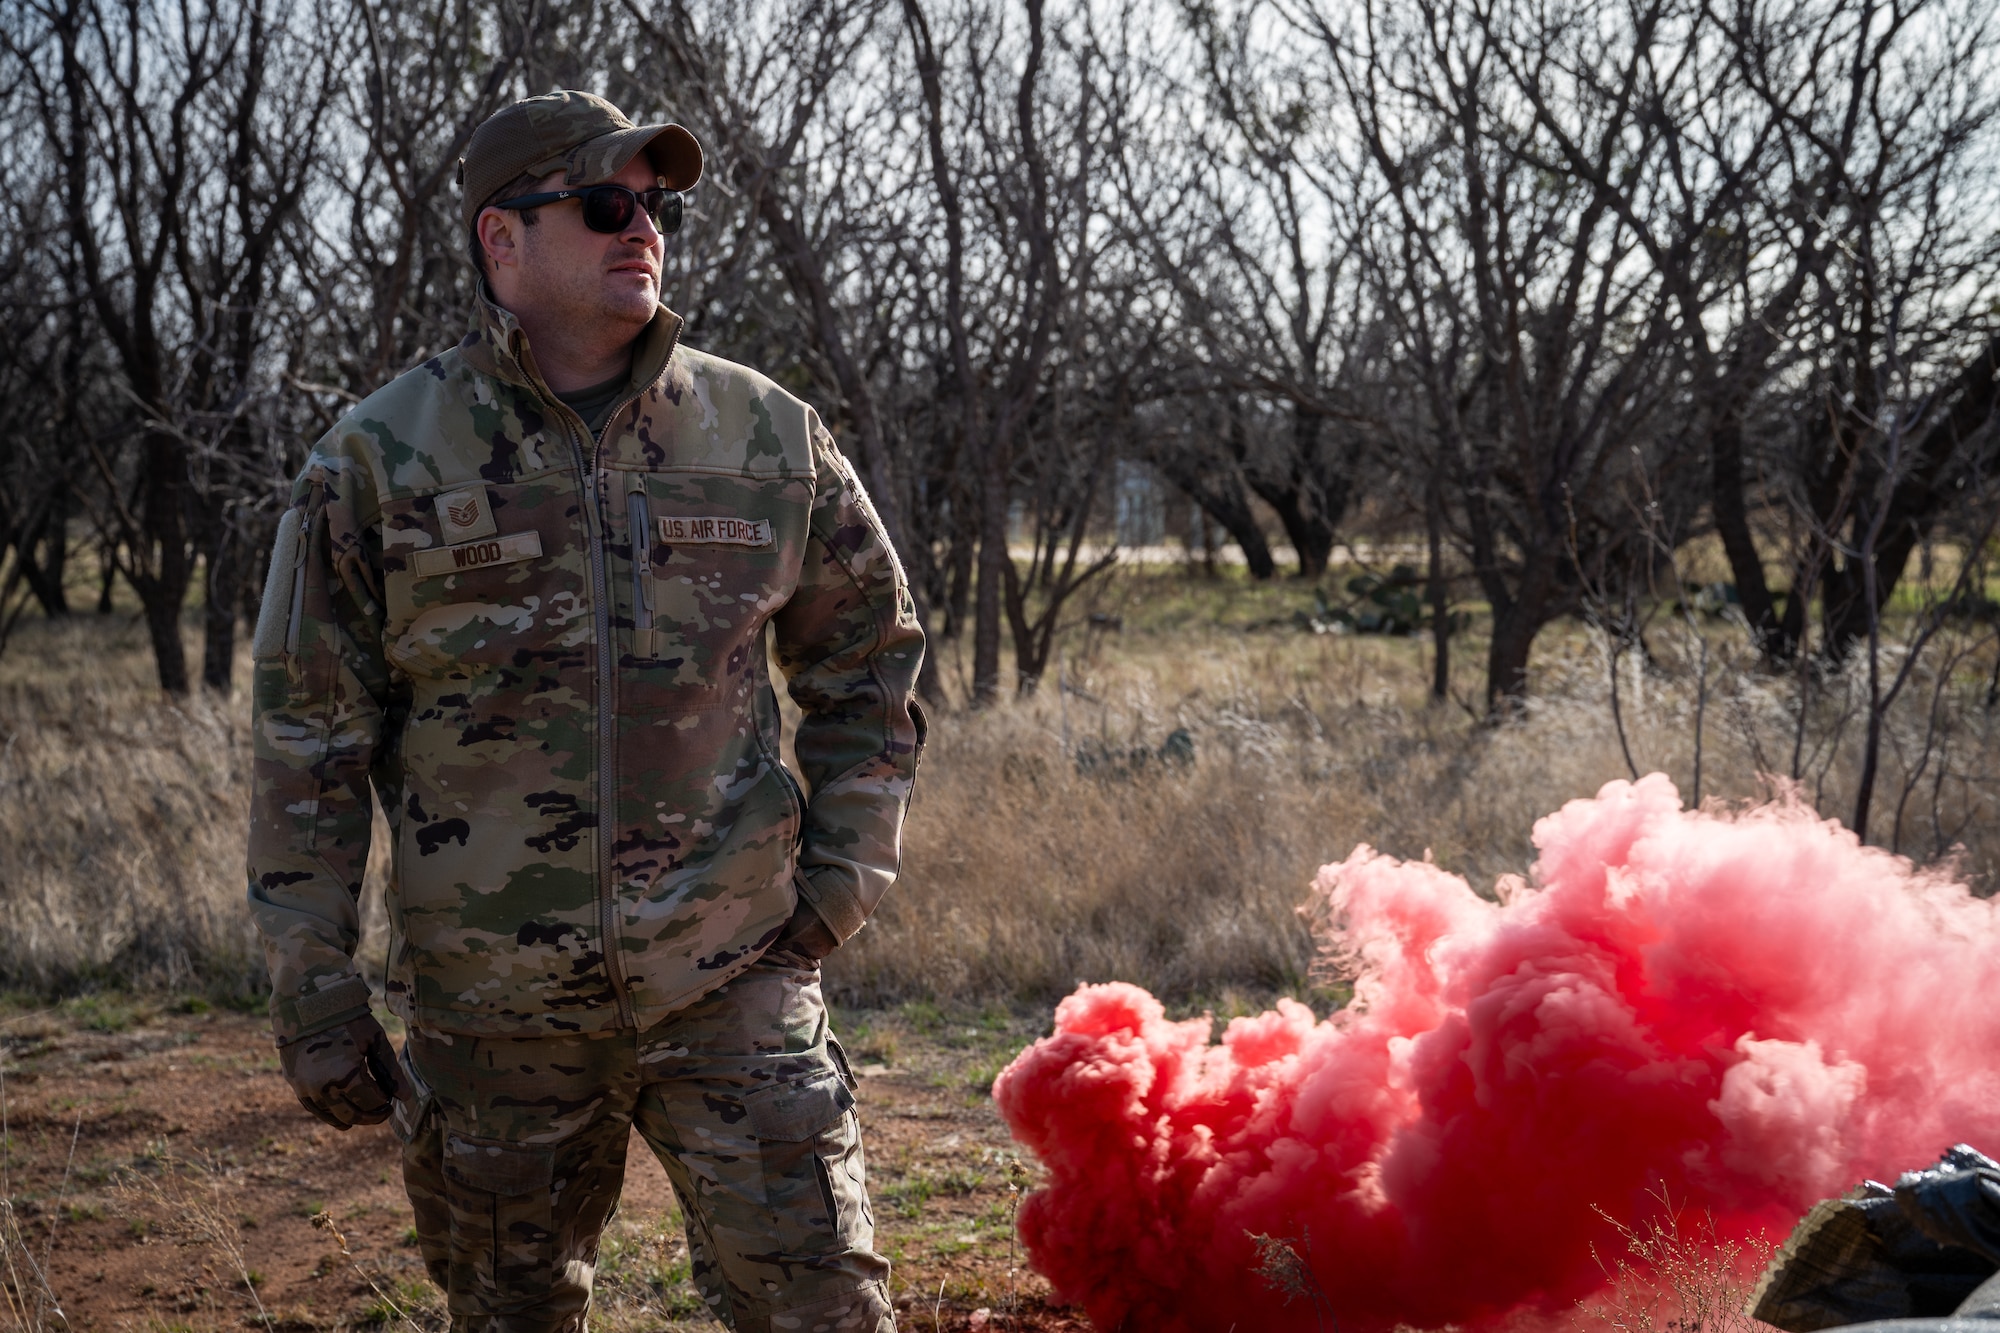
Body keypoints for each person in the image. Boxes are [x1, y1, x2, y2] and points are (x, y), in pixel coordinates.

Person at [245, 88, 924, 1333]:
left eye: (654, 206)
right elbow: (309, 737)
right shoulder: (380, 462)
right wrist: (312, 976)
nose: (642, 230)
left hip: (733, 977)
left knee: (827, 1311)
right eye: (605, 203)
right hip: (493, 1013)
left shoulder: (768, 437)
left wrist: (835, 886)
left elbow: (870, 666)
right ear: (500, 241)